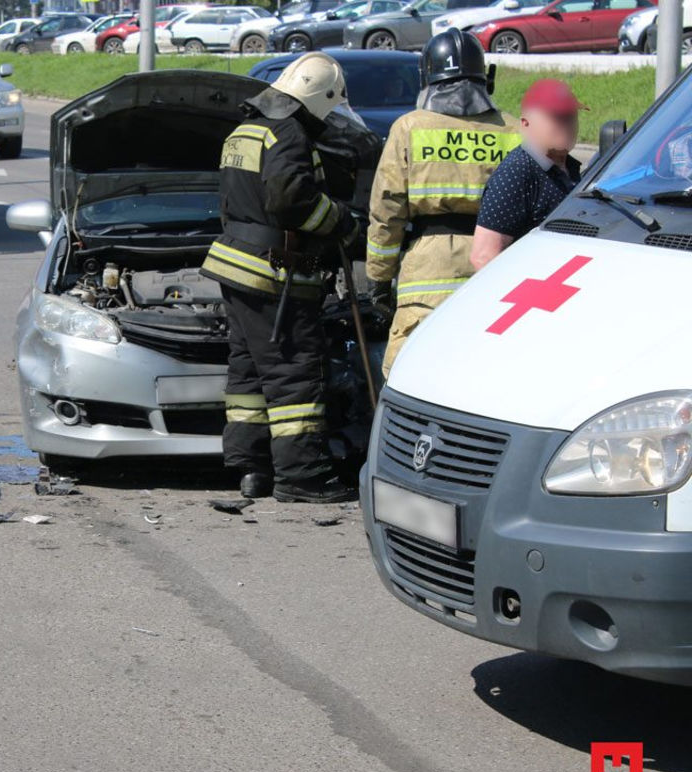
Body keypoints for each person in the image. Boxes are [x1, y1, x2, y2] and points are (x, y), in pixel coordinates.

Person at [200, 52, 360, 504]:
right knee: (293, 374)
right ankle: (302, 476)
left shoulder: (245, 130)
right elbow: (293, 200)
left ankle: (252, 469)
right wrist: (342, 222)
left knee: (249, 374)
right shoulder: (287, 132)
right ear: (319, 97)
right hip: (273, 274)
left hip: (236, 269)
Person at [366, 28, 520, 377]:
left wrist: (378, 280)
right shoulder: (514, 132)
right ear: (486, 78)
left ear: (427, 79)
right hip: (498, 271)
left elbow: (386, 212)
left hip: (426, 275)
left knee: (412, 375)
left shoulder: (409, 128)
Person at [471, 80, 585, 271]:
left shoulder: (570, 169)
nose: (567, 125)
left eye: (571, 116)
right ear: (526, 124)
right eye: (557, 117)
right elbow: (484, 257)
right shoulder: (517, 172)